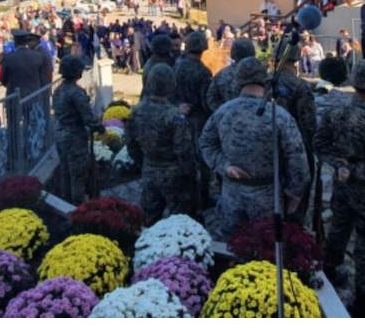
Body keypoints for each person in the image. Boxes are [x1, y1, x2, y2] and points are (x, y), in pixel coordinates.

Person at [199, 57, 309, 238]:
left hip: (231, 197)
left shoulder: (223, 111)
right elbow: (297, 160)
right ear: (265, 80)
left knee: (231, 245)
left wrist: (224, 166)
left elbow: (205, 143)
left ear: (238, 80)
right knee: (265, 250)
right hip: (268, 199)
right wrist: (295, 194)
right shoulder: (279, 116)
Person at [316, 59, 365, 318]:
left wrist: (340, 166)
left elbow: (320, 144)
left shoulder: (335, 113)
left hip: (342, 184)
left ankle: (329, 273)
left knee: (338, 229)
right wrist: (353, 171)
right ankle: (362, 301)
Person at [128, 63, 196, 224]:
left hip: (149, 170)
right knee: (179, 222)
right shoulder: (175, 117)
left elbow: (131, 144)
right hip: (174, 176)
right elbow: (184, 151)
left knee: (150, 220)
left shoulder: (136, 111)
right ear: (171, 85)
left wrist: (143, 162)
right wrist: (192, 173)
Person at [272, 41, 318, 223]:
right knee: (298, 199)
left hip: (270, 146)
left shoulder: (268, 82)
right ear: (296, 59)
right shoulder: (301, 87)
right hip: (296, 148)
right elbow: (309, 125)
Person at [174, 31, 214, 212]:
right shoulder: (203, 72)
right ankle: (203, 197)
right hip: (199, 119)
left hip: (179, 116)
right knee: (202, 160)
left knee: (183, 157)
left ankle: (185, 195)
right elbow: (207, 101)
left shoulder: (176, 67)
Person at [52, 55, 99, 204]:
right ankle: (77, 208)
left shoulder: (58, 90)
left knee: (65, 172)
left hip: (60, 134)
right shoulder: (76, 93)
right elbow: (88, 118)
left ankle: (66, 203)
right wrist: (100, 127)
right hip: (74, 136)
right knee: (78, 174)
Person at [0, 30, 53, 100]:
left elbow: (3, 79)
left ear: (15, 42)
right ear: (27, 42)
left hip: (15, 96)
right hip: (33, 95)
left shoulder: (9, 58)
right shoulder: (38, 56)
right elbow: (42, 76)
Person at [206, 38, 255, 113]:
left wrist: (224, 112)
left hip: (228, 120)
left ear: (233, 53)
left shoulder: (221, 74)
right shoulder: (259, 74)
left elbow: (211, 98)